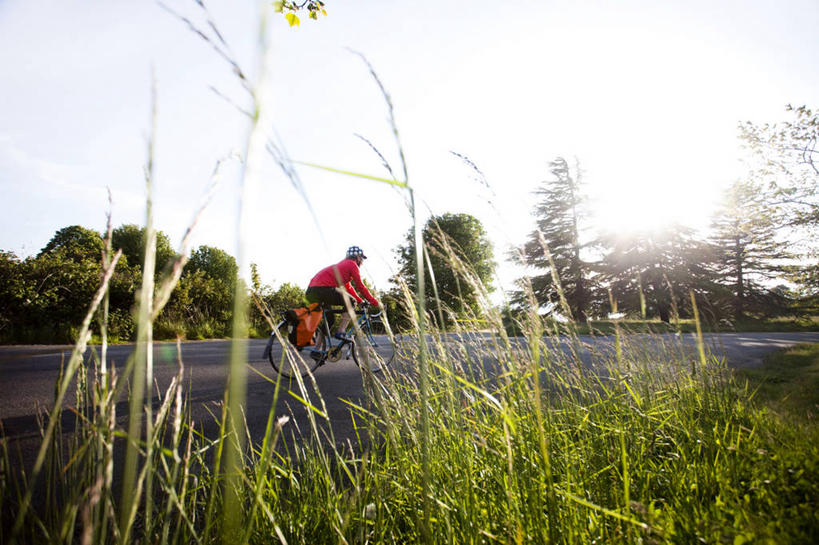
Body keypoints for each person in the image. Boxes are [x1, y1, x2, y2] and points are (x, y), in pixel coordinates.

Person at [305, 246, 380, 341]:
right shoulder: (352, 265)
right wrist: (375, 302)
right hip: (323, 289)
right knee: (351, 302)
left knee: (329, 320)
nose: (362, 261)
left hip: (312, 291)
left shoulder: (342, 265)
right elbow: (361, 287)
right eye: (361, 258)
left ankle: (317, 351)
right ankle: (341, 331)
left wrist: (360, 300)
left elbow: (348, 287)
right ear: (357, 257)